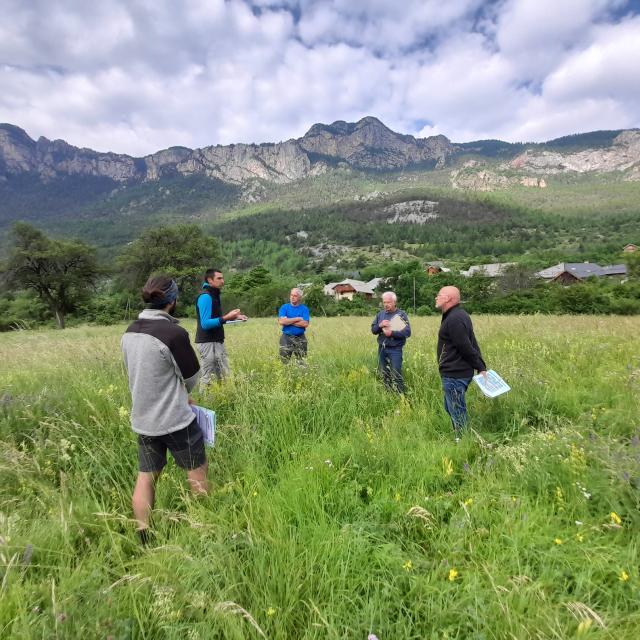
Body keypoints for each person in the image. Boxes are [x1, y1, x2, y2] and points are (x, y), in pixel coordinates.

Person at [121, 274, 208, 543]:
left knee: (146, 476)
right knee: (197, 471)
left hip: (144, 420)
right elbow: (192, 377)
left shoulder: (130, 332)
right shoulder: (173, 333)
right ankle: (203, 527)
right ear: (172, 301)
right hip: (176, 420)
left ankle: (144, 535)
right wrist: (182, 395)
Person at [435, 285, 487, 439]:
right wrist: (480, 365)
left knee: (457, 410)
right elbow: (472, 341)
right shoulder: (457, 315)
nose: (436, 297)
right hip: (455, 373)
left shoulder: (455, 318)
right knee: (450, 407)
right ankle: (459, 436)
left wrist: (480, 366)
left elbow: (465, 346)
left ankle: (463, 442)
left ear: (448, 299)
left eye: (439, 295)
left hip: (455, 374)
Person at [195, 268, 246, 385]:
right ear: (210, 280)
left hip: (217, 341)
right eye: (219, 278)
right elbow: (205, 323)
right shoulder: (205, 297)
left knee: (223, 375)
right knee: (208, 378)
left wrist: (233, 318)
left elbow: (216, 320)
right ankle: (206, 401)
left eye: (222, 278)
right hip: (208, 343)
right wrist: (226, 317)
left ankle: (222, 400)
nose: (222, 281)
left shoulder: (214, 294)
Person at [371, 291, 411, 393]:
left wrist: (391, 333)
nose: (386, 305)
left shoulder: (401, 314)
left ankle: (401, 398)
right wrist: (380, 325)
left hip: (395, 350)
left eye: (388, 302)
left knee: (396, 374)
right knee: (384, 374)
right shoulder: (380, 314)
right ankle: (388, 395)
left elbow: (407, 332)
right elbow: (373, 330)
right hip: (382, 349)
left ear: (394, 302)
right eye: (384, 302)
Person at [278, 288, 310, 363]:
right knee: (284, 361)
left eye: (295, 295)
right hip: (286, 337)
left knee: (302, 362)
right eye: (291, 295)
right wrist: (298, 318)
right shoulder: (284, 307)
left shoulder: (304, 309)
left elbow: (305, 323)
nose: (292, 297)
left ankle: (302, 374)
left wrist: (288, 320)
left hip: (300, 338)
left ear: (300, 297)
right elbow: (281, 321)